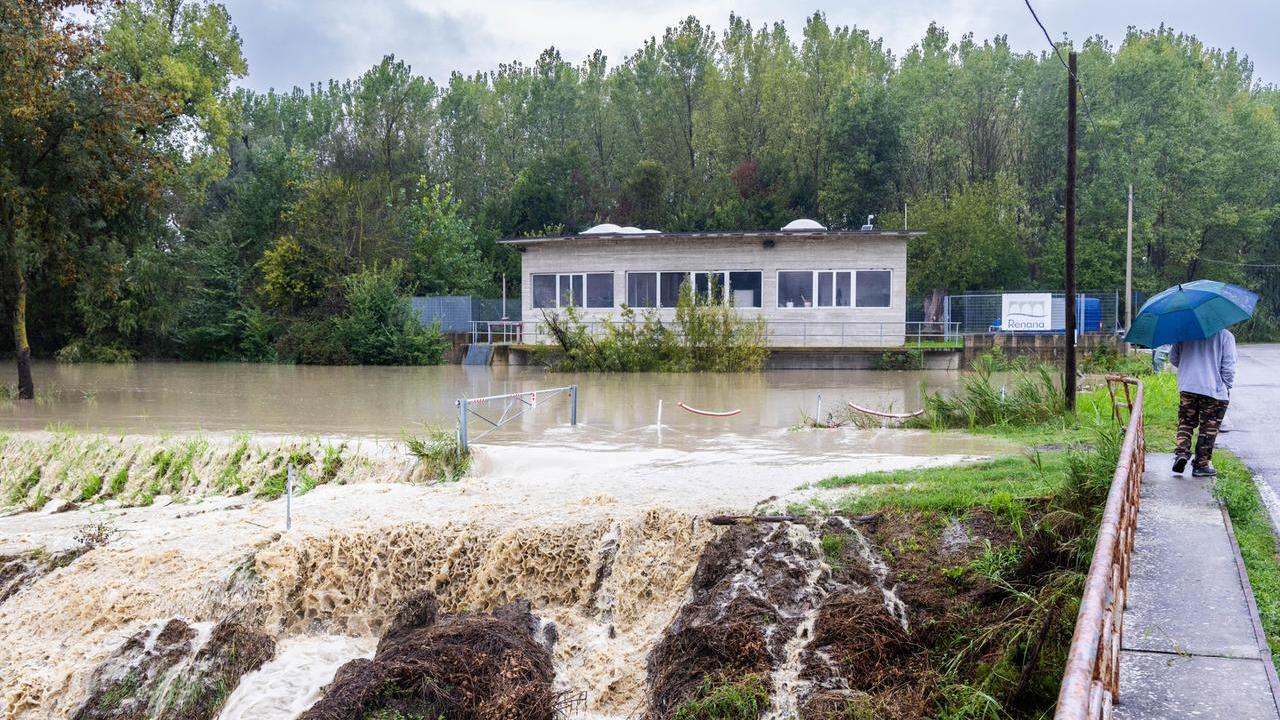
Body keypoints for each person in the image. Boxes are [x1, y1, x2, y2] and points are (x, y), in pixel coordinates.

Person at [1169, 328, 1237, 476]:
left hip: (1188, 386)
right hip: (1213, 390)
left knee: (1186, 422)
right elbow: (1229, 365)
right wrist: (1226, 386)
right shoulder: (1225, 336)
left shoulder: (1184, 334)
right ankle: (1201, 465)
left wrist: (1189, 368)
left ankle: (1181, 453)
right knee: (1208, 428)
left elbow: (1173, 358)